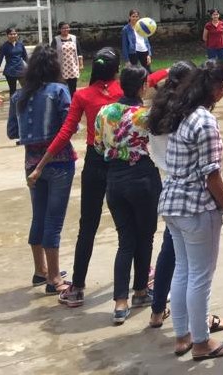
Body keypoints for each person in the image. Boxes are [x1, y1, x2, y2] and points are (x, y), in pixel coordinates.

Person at [27, 49, 168, 308]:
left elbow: (66, 131)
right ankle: (140, 283)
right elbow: (147, 80)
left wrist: (41, 164)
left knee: (87, 227)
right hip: (122, 164)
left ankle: (77, 287)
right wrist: (169, 72)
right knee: (134, 227)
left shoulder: (82, 95)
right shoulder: (122, 91)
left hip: (95, 161)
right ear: (116, 72)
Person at [155, 60, 223, 360]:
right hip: (195, 206)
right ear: (217, 89)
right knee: (200, 276)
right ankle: (201, 343)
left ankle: (183, 336)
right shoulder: (204, 121)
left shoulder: (182, 114)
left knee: (183, 271)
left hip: (173, 202)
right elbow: (211, 174)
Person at [94, 65, 162, 325]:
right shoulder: (145, 115)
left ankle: (120, 302)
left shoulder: (105, 111)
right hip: (143, 177)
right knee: (145, 237)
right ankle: (141, 291)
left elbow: (99, 145)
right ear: (143, 86)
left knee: (125, 241)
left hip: (114, 179)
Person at [9, 45, 74, 295]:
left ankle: (41, 270)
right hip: (59, 161)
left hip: (31, 164)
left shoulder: (19, 97)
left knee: (39, 215)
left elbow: (12, 132)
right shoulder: (59, 91)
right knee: (53, 221)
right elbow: (69, 126)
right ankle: (55, 278)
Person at [147, 60, 197, 328]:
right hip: (187, 187)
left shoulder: (158, 108)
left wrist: (169, 71)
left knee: (171, 251)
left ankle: (158, 309)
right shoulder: (184, 113)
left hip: (168, 183)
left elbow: (153, 78)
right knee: (193, 264)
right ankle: (194, 321)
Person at [0, 27, 28, 96]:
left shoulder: (20, 44)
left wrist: (33, 68)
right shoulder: (3, 46)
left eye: (15, 34)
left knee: (26, 89)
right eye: (11, 34)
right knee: (13, 91)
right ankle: (13, 106)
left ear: (17, 34)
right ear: (7, 35)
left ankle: (26, 105)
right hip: (10, 72)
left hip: (21, 70)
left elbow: (25, 57)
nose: (13, 36)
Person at [53, 22, 84, 97]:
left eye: (67, 27)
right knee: (63, 87)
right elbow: (52, 53)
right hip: (61, 68)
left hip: (73, 67)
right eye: (63, 28)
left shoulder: (74, 38)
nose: (66, 29)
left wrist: (81, 64)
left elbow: (79, 52)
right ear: (60, 29)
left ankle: (73, 102)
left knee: (73, 87)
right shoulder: (56, 40)